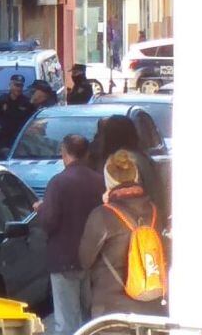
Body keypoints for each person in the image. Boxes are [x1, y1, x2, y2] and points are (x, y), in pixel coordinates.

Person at [79, 150, 168, 317]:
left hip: (112, 309)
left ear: (109, 181)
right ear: (136, 178)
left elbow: (85, 259)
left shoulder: (102, 215)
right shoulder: (155, 211)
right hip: (153, 306)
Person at [37, 135, 105, 335]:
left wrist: (41, 209)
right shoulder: (100, 181)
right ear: (87, 154)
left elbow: (49, 221)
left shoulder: (58, 182)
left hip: (64, 257)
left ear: (64, 153)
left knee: (67, 321)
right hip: (94, 258)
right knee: (90, 320)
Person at [87, 115, 168, 227]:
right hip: (149, 220)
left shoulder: (120, 160)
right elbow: (156, 192)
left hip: (125, 222)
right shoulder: (142, 157)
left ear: (109, 136)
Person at [0, 74, 34, 155]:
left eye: (21, 86)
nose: (19, 88)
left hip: (20, 138)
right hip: (5, 138)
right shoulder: (2, 100)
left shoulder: (26, 102)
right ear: (10, 85)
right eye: (16, 85)